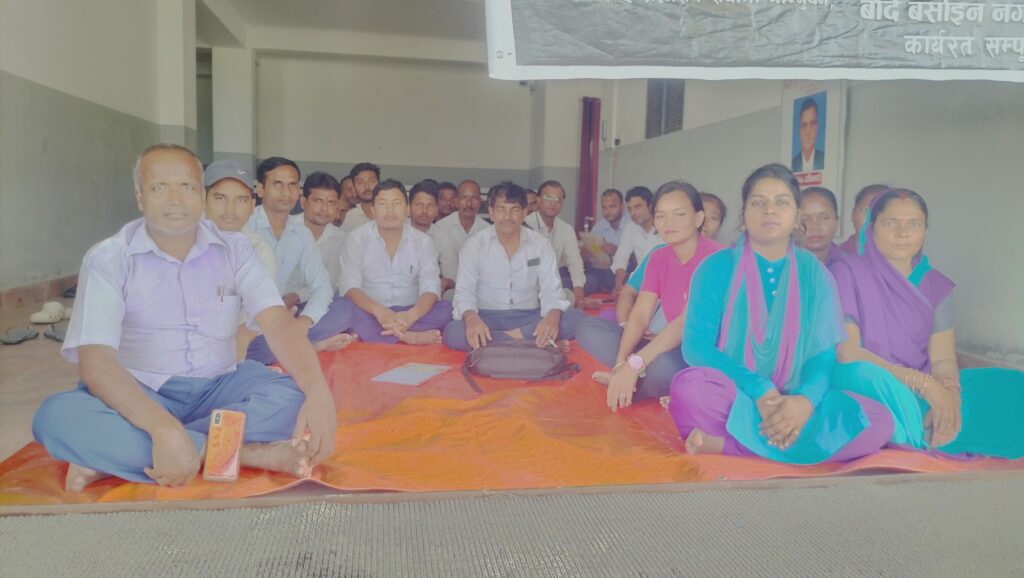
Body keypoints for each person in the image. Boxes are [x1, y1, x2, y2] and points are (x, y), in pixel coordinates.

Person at [32, 144, 338, 492]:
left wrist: (317, 389)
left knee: (296, 397)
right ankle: (245, 454)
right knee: (56, 417)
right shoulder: (108, 259)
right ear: (140, 198)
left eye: (187, 187)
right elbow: (96, 363)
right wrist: (160, 426)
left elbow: (278, 322)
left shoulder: (236, 250)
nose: (175, 200)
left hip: (219, 386)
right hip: (141, 390)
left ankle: (136, 450)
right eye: (159, 187)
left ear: (201, 196)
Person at [668, 164, 894, 464]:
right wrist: (759, 389)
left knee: (878, 420)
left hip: (797, 394)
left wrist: (804, 402)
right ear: (744, 216)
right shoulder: (715, 268)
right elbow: (696, 347)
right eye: (758, 202)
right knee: (689, 389)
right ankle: (796, 443)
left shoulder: (817, 276)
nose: (770, 210)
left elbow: (823, 354)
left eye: (782, 202)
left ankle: (728, 445)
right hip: (737, 391)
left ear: (796, 217)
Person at [829, 189, 1023, 459]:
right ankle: (914, 432)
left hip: (924, 389)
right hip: (871, 383)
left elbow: (943, 359)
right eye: (891, 223)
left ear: (925, 230)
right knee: (868, 378)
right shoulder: (846, 271)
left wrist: (949, 396)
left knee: (1013, 387)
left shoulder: (935, 284)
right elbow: (847, 352)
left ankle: (931, 428)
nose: (903, 233)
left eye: (914, 224)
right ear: (871, 228)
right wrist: (925, 386)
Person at [577, 182, 723, 411]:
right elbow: (640, 315)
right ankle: (628, 377)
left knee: (663, 367)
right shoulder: (659, 256)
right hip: (664, 343)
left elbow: (686, 323)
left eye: (679, 214)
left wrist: (635, 363)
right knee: (587, 327)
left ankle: (635, 384)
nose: (668, 223)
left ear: (698, 218)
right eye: (661, 216)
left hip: (703, 353)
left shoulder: (717, 258)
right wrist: (620, 364)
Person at [443, 182, 584, 351]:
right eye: (501, 209)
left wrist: (552, 318)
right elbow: (464, 292)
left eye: (515, 210)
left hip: (529, 316)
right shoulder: (474, 245)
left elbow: (552, 291)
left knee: (577, 319)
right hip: (487, 317)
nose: (507, 217)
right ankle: (533, 342)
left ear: (524, 213)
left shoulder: (540, 244)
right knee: (453, 332)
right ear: (491, 212)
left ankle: (501, 342)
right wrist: (472, 318)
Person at [246, 157, 356, 363]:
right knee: (240, 340)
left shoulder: (300, 233)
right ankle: (311, 346)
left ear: (298, 191)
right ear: (260, 189)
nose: (286, 193)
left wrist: (304, 322)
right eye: (278, 184)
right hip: (250, 322)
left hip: (287, 319)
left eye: (292, 185)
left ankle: (291, 344)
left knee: (344, 308)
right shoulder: (245, 225)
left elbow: (323, 287)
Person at [339, 179, 451, 345]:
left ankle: (369, 335)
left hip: (410, 311)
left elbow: (431, 286)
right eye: (383, 204)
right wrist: (378, 311)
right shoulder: (356, 239)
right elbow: (349, 285)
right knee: (340, 308)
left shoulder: (423, 242)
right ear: (373, 210)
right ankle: (408, 337)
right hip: (370, 311)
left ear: (407, 209)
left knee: (448, 310)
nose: (390, 211)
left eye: (396, 204)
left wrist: (411, 316)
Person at [202, 160, 277, 360]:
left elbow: (259, 309)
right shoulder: (179, 240)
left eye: (241, 200)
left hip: (233, 341)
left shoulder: (259, 251)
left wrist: (244, 335)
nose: (230, 209)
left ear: (252, 206)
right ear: (202, 199)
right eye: (220, 198)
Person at [524, 180, 587, 305]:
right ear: (538, 200)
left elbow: (575, 261)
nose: (553, 203)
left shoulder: (566, 229)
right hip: (529, 284)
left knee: (585, 282)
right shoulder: (525, 225)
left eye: (558, 199)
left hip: (555, 280)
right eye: (548, 198)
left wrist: (579, 291)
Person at [288, 172, 346, 295]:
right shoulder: (285, 229)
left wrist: (298, 296)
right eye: (318, 201)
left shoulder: (341, 240)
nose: (324, 208)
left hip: (321, 300)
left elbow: (331, 282)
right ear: (303, 202)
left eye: (331, 203)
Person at [435, 179, 489, 293]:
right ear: (456, 201)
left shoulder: (488, 230)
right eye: (464, 198)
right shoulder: (440, 228)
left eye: (474, 198)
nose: (469, 204)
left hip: (480, 292)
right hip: (449, 293)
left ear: (480, 201)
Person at [610, 186, 661, 296]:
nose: (633, 213)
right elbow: (620, 258)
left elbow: (649, 266)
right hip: (638, 282)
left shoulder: (663, 228)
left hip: (661, 283)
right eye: (630, 209)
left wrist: (629, 286)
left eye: (638, 207)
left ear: (651, 206)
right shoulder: (630, 227)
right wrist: (619, 284)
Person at [583, 189, 627, 294]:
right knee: (582, 275)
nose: (608, 211)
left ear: (622, 207)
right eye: (604, 207)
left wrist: (616, 251)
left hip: (624, 271)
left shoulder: (632, 225)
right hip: (600, 270)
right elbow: (591, 255)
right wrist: (586, 254)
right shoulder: (599, 227)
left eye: (612, 207)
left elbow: (639, 258)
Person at [797, 186, 845, 267]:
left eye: (824, 217)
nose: (815, 227)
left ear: (836, 222)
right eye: (805, 219)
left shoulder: (850, 265)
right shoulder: (781, 264)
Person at [838, 183, 889, 254]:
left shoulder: (903, 257)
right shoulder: (835, 256)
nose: (872, 218)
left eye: (882, 211)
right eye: (866, 210)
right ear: (853, 214)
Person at [339, 162, 380, 233]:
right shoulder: (350, 217)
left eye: (372, 181)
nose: (367, 187)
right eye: (360, 183)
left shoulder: (390, 211)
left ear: (379, 183)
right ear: (354, 187)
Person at [792, 98, 825, 172]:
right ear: (800, 130)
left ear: (817, 127)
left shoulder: (824, 159)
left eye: (812, 124)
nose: (808, 132)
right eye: (804, 125)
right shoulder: (792, 164)